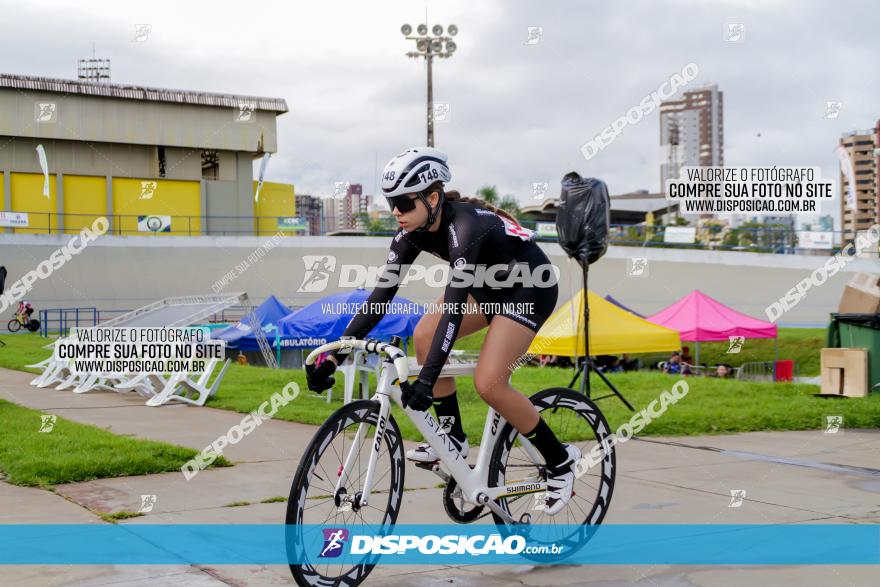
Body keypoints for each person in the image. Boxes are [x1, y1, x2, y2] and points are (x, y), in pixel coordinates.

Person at [305, 147, 578, 515]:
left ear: (432, 198)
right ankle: (453, 437)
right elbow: (380, 297)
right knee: (422, 335)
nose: (397, 213)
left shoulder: (466, 228)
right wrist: (334, 355)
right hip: (487, 287)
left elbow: (452, 309)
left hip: (529, 288)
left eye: (403, 203)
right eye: (392, 204)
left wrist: (427, 379)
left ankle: (560, 461)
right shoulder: (410, 232)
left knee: (489, 383)